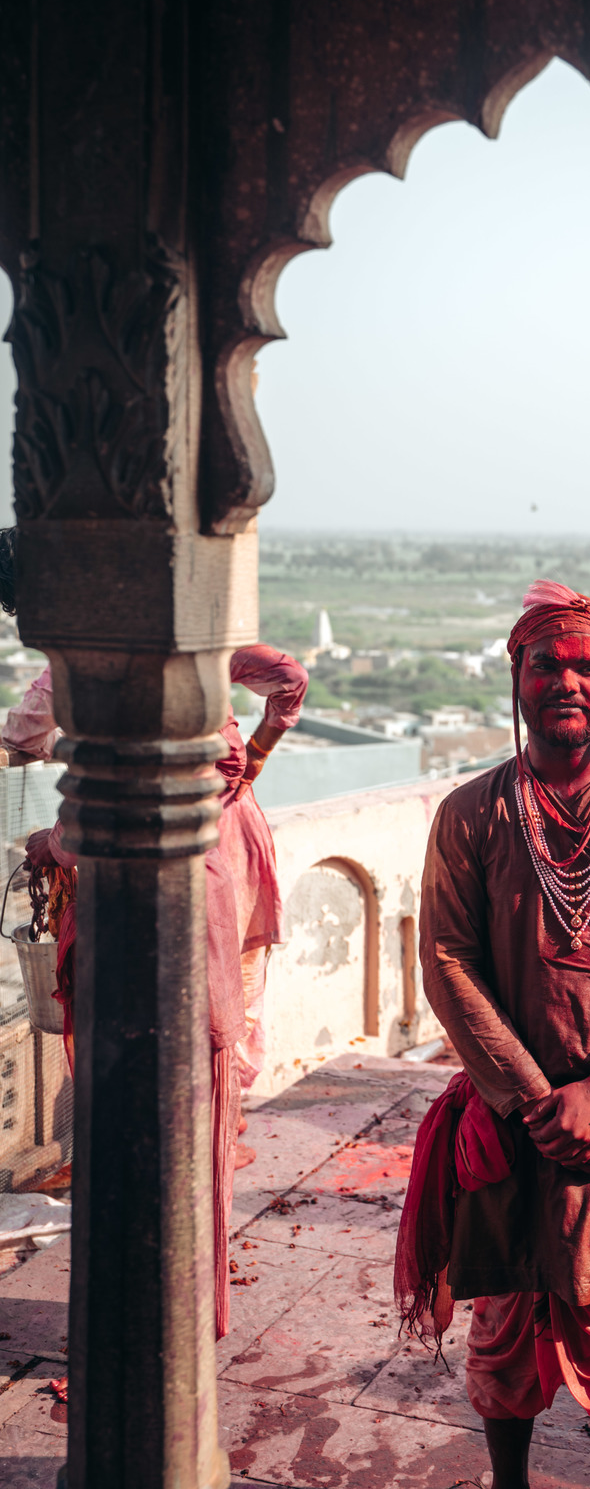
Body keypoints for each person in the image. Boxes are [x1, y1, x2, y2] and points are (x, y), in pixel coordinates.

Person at [397, 581, 590, 1489]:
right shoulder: (471, 813)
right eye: (547, 664)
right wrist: (536, 1098)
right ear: (518, 680)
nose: (567, 681)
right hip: (513, 1118)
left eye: (588, 665)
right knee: (505, 1318)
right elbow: (448, 958)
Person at [0, 526, 308, 1335]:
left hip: (160, 901)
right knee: (188, 1086)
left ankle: (160, 1313)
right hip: (213, 872)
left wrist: (54, 843)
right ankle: (180, 1304)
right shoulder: (190, 633)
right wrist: (260, 760)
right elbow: (288, 679)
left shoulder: (82, 670)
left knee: (153, 1090)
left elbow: (122, 802)